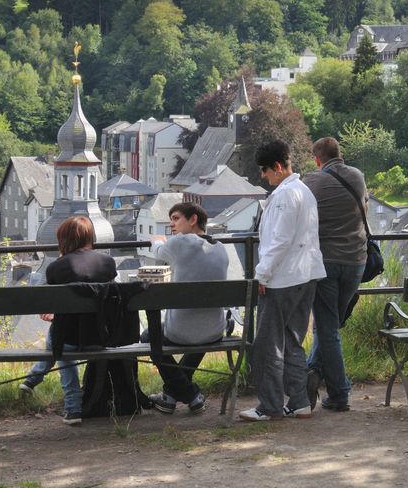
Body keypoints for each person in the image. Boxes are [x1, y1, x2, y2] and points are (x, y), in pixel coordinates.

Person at [239, 140, 325, 422]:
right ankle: (299, 402)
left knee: (267, 345)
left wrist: (261, 274)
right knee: (292, 341)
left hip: (282, 279)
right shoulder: (304, 192)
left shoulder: (285, 196)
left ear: (277, 166)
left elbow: (280, 241)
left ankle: (270, 406)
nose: (263, 176)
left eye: (265, 170)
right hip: (306, 275)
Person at [19, 216, 117, 425]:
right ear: (91, 236)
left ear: (63, 239)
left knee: (59, 340)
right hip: (101, 337)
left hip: (68, 340)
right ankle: (32, 381)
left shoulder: (56, 268)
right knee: (62, 336)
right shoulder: (107, 263)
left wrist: (56, 315)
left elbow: (59, 301)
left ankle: (72, 408)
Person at [302, 137, 368, 412]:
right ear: (340, 153)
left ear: (317, 159)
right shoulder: (358, 176)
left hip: (326, 262)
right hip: (356, 261)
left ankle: (338, 393)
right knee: (330, 326)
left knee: (327, 328)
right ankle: (313, 373)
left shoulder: (312, 181)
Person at [145, 202, 229, 415]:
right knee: (200, 330)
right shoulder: (221, 249)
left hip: (179, 333)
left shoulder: (179, 243)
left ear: (193, 220)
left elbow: (160, 251)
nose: (171, 224)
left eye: (176, 218)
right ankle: (172, 396)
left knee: (148, 336)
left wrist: (157, 240)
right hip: (214, 332)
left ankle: (188, 394)